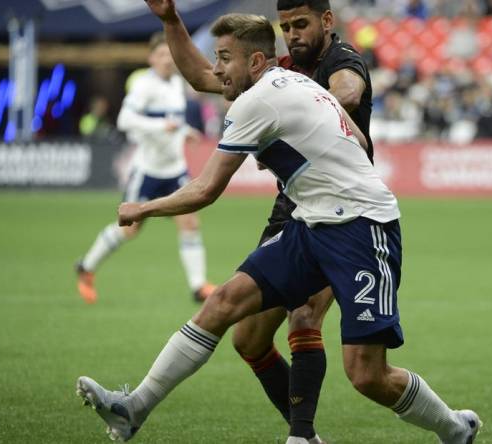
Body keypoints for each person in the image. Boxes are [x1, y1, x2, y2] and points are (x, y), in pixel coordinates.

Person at [75, 13, 481, 444]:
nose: (216, 69)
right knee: (225, 303)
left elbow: (206, 189)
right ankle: (133, 408)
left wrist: (143, 208)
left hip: (363, 228)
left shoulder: (258, 101)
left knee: (367, 375)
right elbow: (358, 141)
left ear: (254, 62)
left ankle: (454, 428)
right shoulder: (295, 83)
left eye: (224, 58)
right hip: (310, 223)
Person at [144, 0, 374, 441]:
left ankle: (302, 436)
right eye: (285, 26)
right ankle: (304, 432)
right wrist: (170, 20)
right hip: (290, 210)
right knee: (247, 340)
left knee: (305, 314)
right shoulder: (282, 70)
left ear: (327, 22)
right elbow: (200, 77)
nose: (293, 34)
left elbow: (348, 91)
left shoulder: (341, 61)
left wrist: (307, 113)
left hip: (340, 210)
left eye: (301, 24)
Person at [75, 32, 217, 304]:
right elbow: (125, 119)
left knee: (189, 222)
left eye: (169, 55)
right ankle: (86, 266)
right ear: (151, 59)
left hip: (174, 170)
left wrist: (184, 130)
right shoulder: (144, 86)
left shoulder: (176, 83)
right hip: (148, 172)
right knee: (130, 228)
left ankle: (198, 286)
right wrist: (161, 126)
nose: (167, 60)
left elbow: (172, 121)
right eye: (161, 55)